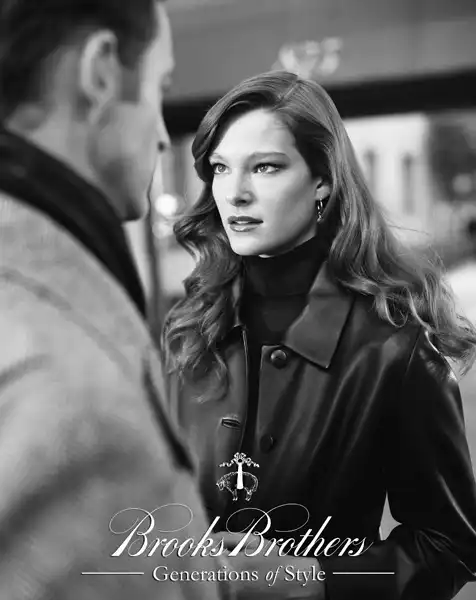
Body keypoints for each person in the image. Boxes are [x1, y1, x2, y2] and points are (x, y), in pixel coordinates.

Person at [162, 71, 476, 599]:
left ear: (322, 181)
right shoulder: (188, 328)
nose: (235, 193)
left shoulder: (392, 348)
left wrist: (309, 580)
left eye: (265, 167)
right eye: (220, 168)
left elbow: (451, 545)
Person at [0, 2, 233, 598]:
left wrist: (204, 567)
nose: (161, 134)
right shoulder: (68, 386)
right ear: (101, 71)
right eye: (160, 87)